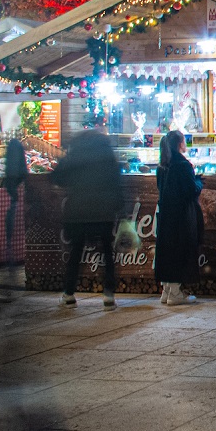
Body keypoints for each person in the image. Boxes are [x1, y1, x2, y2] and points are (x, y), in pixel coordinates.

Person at [54, 129, 124, 309]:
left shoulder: (75, 155)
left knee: (76, 252)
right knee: (107, 252)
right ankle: (108, 295)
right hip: (103, 212)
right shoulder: (107, 156)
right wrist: (119, 207)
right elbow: (117, 182)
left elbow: (57, 177)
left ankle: (69, 294)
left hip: (78, 211)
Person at [155, 130, 202, 306]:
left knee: (167, 250)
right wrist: (199, 181)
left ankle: (167, 290)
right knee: (178, 249)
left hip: (165, 214)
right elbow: (191, 190)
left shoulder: (162, 165)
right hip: (181, 215)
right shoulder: (183, 165)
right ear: (180, 144)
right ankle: (175, 293)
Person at [4, 137, 28, 271]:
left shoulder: (12, 147)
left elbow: (11, 171)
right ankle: (13, 256)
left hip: (13, 192)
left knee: (11, 227)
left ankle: (11, 256)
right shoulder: (17, 147)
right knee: (15, 227)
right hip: (17, 192)